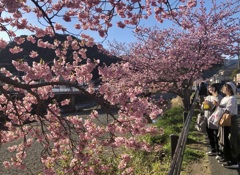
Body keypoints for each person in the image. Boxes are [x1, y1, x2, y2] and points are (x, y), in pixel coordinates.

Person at [213, 82, 239, 169]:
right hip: (224, 119)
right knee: (224, 139)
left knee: (232, 139)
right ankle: (227, 157)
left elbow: (229, 111)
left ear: (231, 89)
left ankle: (234, 161)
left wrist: (219, 106)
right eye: (224, 87)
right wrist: (218, 105)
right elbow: (223, 108)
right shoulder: (225, 98)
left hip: (230, 119)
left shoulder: (232, 98)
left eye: (227, 88)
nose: (225, 89)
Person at [203, 84, 222, 156]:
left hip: (215, 118)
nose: (210, 89)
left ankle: (218, 150)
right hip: (207, 117)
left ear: (216, 88)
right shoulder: (207, 97)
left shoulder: (219, 97)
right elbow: (204, 108)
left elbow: (219, 107)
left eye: (212, 87)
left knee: (216, 135)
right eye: (209, 88)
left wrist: (210, 104)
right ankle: (213, 149)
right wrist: (203, 105)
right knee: (209, 134)